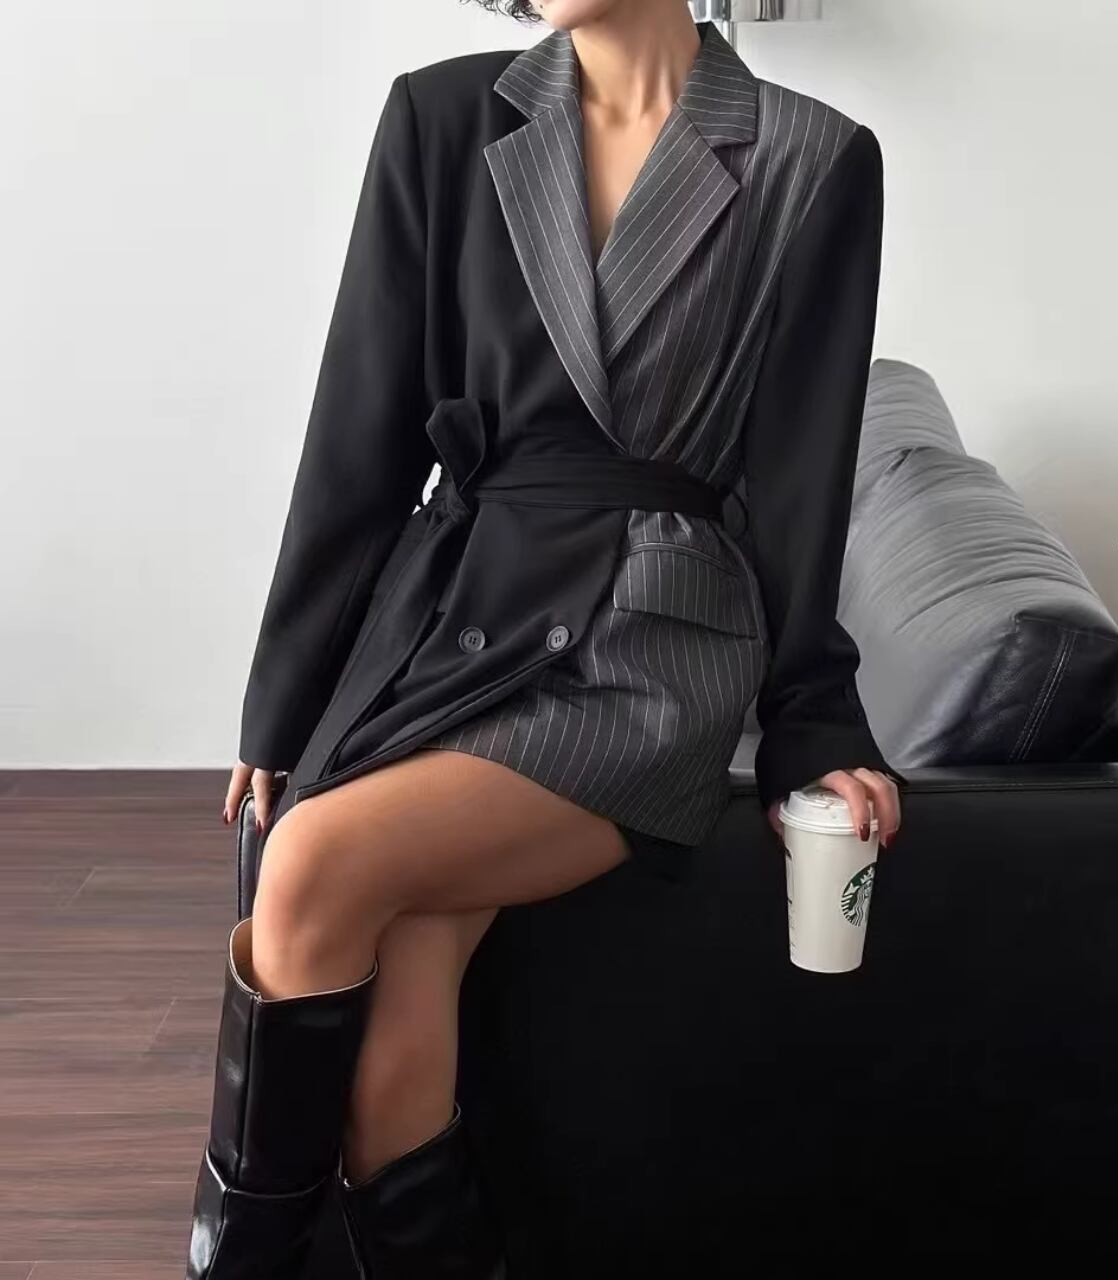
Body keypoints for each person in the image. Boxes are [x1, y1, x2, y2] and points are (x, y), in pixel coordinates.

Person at [184, 0, 905, 1275]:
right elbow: (360, 425)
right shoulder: (442, 117)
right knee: (402, 988)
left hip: (647, 639)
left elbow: (802, 473)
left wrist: (812, 721)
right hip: (449, 619)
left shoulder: (811, 156)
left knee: (309, 868)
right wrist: (284, 698)